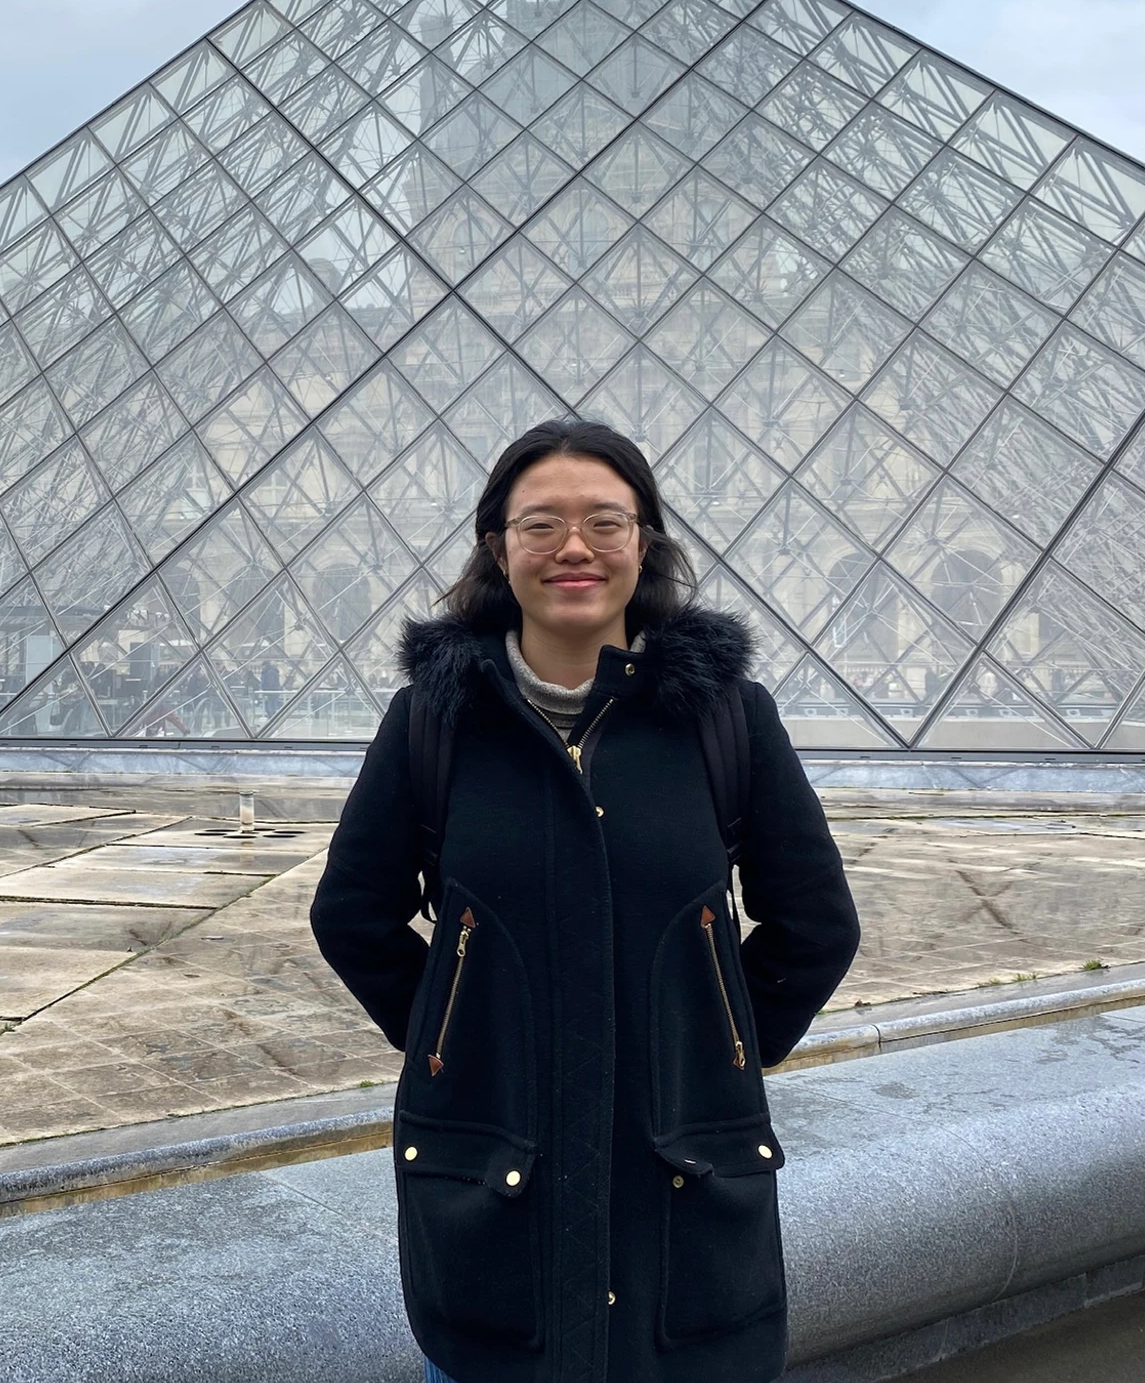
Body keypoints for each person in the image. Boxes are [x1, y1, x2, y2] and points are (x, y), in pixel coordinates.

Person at [310, 419, 860, 1383]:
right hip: (495, 1184)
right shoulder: (430, 722)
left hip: (683, 1185)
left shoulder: (728, 719)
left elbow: (814, 923)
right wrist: (459, 1039)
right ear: (496, 548)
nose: (574, 547)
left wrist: (717, 1045)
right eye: (541, 524)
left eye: (605, 520)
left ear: (644, 541)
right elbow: (352, 912)